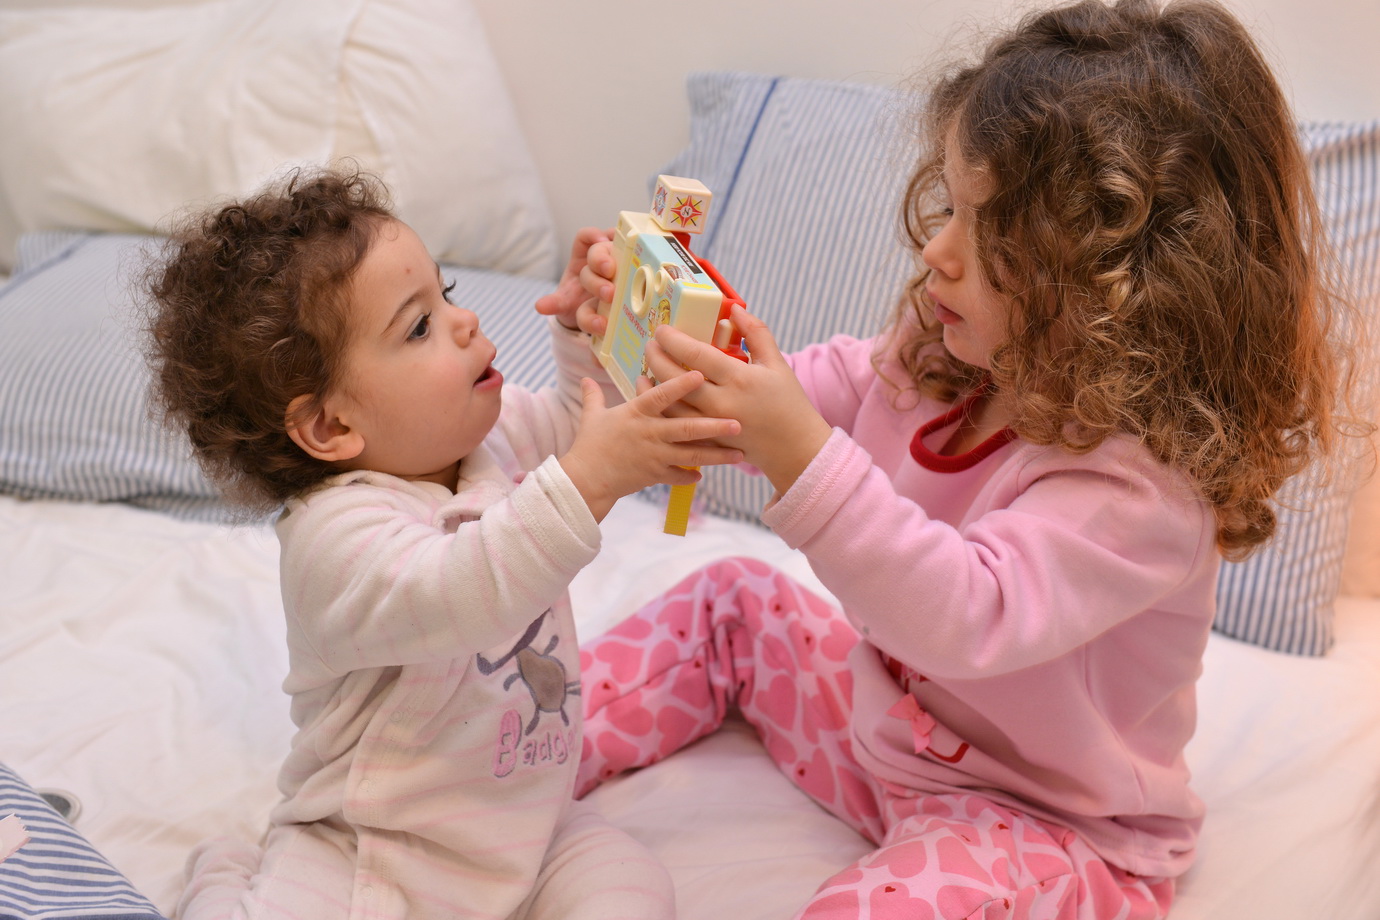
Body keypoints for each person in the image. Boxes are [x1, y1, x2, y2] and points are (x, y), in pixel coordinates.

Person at [569, 0, 1353, 917]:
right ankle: (508, 762)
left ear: (1121, 287)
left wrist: (799, 452)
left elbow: (966, 614)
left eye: (992, 235)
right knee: (731, 600)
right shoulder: (948, 353)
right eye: (950, 206)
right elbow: (784, 406)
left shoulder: (1145, 492)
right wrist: (640, 341)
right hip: (890, 739)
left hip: (1045, 824)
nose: (937, 251)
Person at [142, 166, 744, 920]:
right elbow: (462, 590)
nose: (464, 321)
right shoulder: (333, 540)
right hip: (373, 851)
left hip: (528, 832)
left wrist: (587, 332)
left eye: (447, 292)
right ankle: (226, 873)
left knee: (633, 888)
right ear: (331, 426)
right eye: (419, 326)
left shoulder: (489, 442)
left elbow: (575, 426)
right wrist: (591, 480)